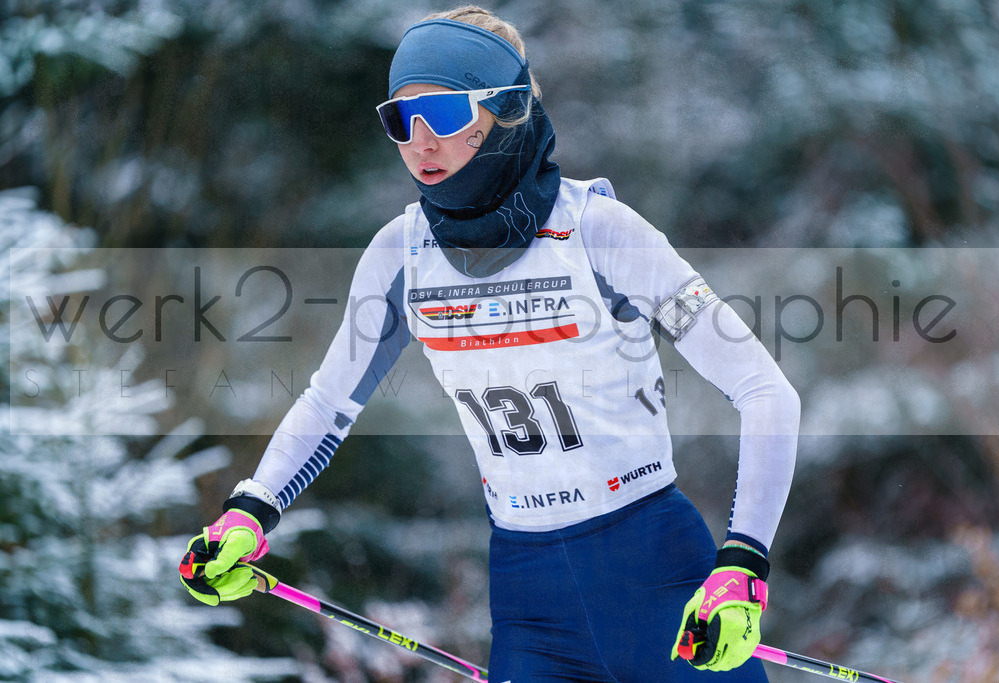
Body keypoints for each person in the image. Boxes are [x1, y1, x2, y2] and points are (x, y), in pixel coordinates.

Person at [179, 6, 800, 682]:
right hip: (529, 597)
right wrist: (250, 508)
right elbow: (328, 402)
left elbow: (766, 390)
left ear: (501, 110)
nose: (419, 141)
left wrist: (745, 561)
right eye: (399, 120)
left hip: (653, 572)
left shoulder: (599, 230)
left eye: (441, 115)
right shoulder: (402, 255)